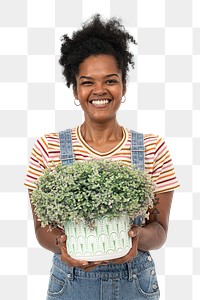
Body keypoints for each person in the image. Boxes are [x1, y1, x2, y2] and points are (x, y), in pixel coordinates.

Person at [24, 14, 180, 300]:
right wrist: (63, 244)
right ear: (75, 89)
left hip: (135, 282)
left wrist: (135, 239)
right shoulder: (47, 148)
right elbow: (40, 228)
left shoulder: (153, 148)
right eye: (87, 82)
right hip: (71, 282)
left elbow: (159, 230)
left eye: (110, 80)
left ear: (123, 87)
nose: (99, 91)